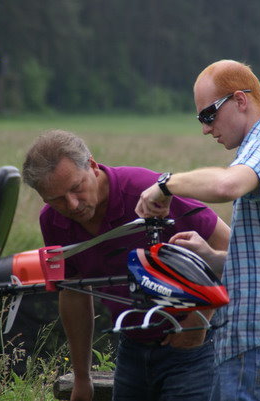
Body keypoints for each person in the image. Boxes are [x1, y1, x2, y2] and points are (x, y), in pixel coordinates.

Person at [136, 60, 260, 401]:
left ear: (241, 101)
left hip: (257, 351)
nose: (205, 128)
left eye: (208, 115)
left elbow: (227, 185)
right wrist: (212, 258)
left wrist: (166, 184)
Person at [22, 130, 230, 401]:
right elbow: (73, 293)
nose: (72, 205)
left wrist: (198, 322)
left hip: (192, 346)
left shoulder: (145, 190)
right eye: (57, 199)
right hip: (132, 347)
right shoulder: (53, 222)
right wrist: (82, 379)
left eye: (76, 188)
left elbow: (232, 249)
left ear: (93, 167)